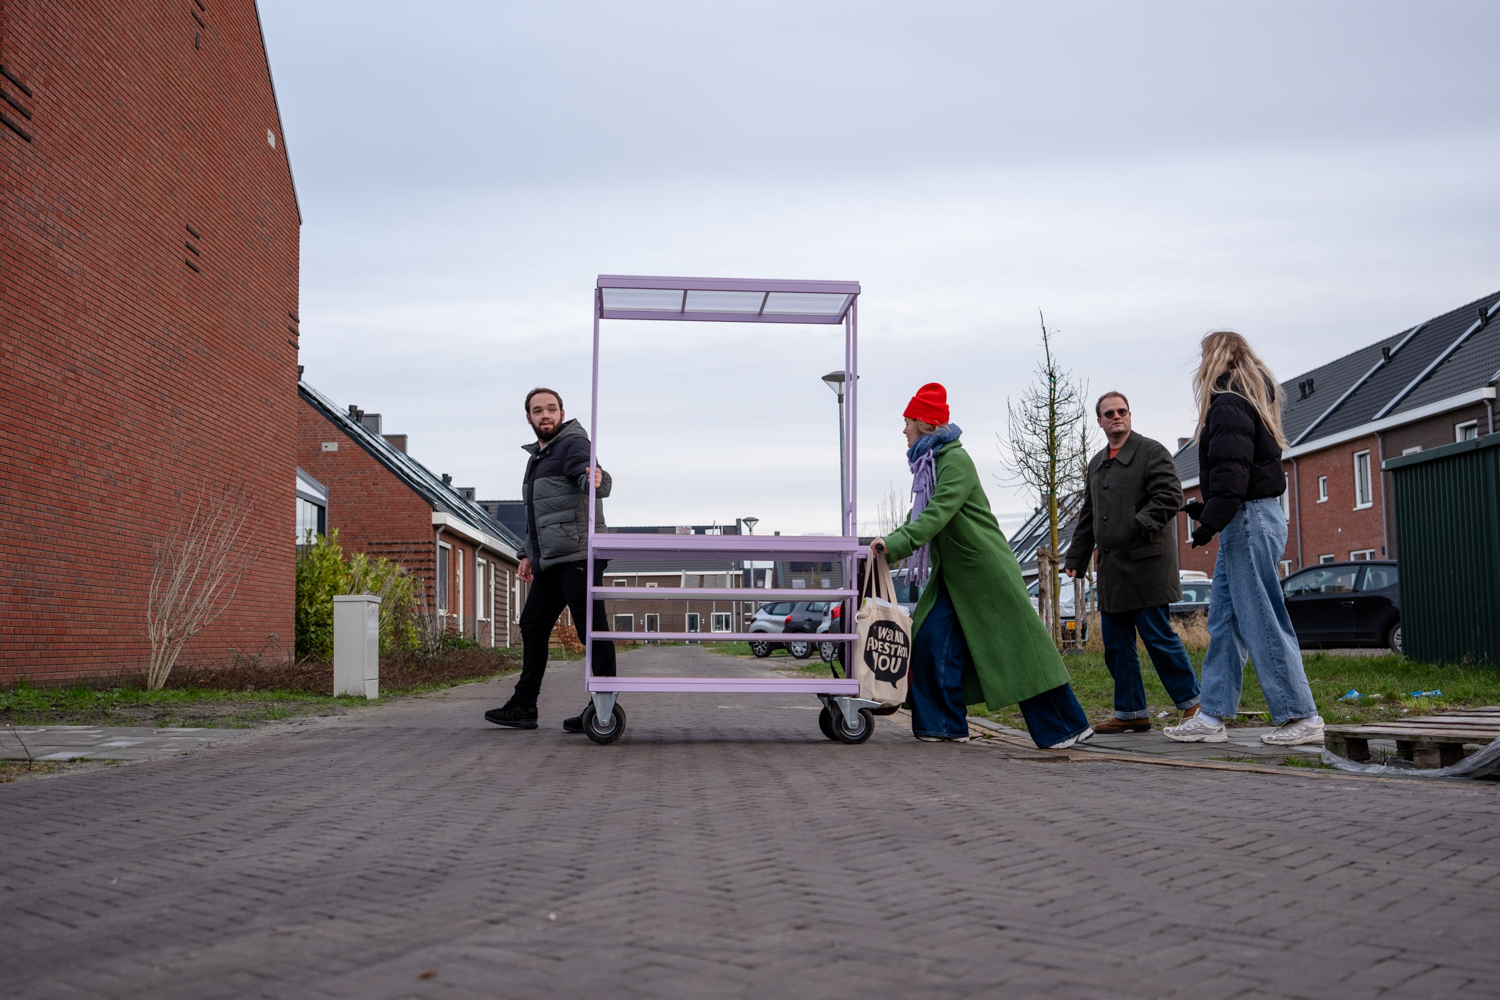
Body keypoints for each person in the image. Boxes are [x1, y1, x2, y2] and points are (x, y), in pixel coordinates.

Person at [871, 383, 1094, 749]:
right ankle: (943, 725)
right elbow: (921, 516)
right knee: (931, 642)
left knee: (1019, 651)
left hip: (984, 572)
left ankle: (1066, 726)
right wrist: (888, 542)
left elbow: (936, 514)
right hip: (956, 575)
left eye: (908, 421)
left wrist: (894, 545)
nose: (904, 429)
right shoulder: (931, 463)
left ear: (924, 425)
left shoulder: (954, 461)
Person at [1164, 332, 1324, 745]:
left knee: (1262, 619)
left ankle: (1301, 715)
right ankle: (1211, 716)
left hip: (1248, 521)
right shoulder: (1249, 400)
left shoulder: (1228, 402)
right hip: (1250, 518)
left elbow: (1233, 474)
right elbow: (1241, 472)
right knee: (1225, 620)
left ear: (1214, 358)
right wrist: (1210, 509)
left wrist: (1208, 524)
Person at [1064, 391, 1201, 733]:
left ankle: (1194, 705)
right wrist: (1077, 556)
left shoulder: (1151, 451)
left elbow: (1170, 496)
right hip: (1112, 571)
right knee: (1116, 645)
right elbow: (1089, 514)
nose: (1116, 417)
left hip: (1147, 566)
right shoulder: (1096, 463)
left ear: (1129, 415)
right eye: (1109, 413)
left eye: (1121, 411)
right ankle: (1131, 713)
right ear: (1099, 421)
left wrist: (1135, 525)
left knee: (1158, 638)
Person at [485, 388, 617, 732]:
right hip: (552, 559)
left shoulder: (574, 444)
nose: (545, 415)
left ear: (562, 413)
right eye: (538, 410)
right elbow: (537, 515)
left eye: (551, 409)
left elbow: (592, 480)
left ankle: (603, 707)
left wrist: (596, 479)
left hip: (578, 555)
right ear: (528, 417)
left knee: (592, 630)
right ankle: (524, 705)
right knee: (532, 624)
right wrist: (527, 553)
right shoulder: (538, 457)